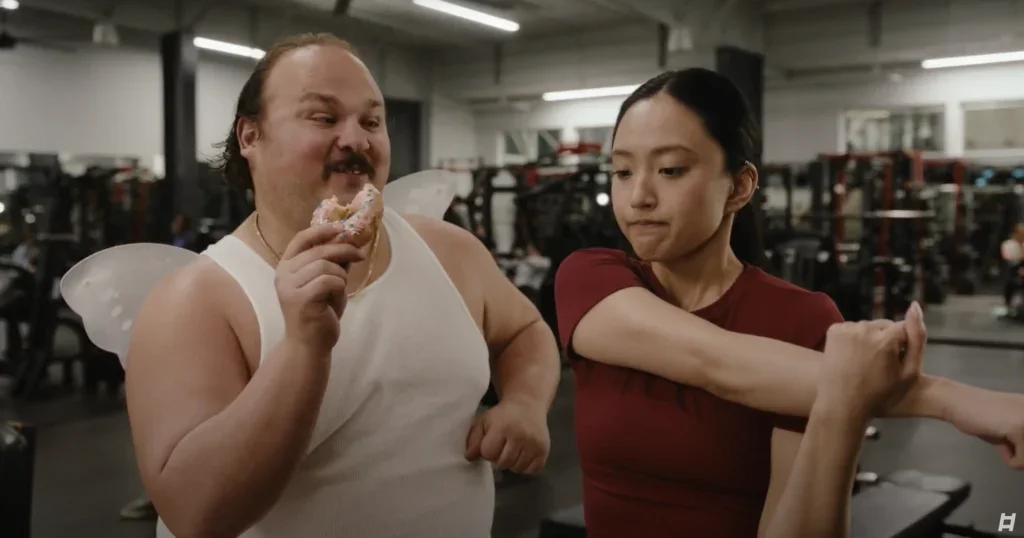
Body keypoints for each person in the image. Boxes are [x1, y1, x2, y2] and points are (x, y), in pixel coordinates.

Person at [554, 68, 1024, 538]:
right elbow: (712, 360)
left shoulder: (802, 321)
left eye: (671, 169)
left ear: (739, 186)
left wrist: (844, 408)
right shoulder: (589, 278)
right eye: (621, 171)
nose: (638, 197)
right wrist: (947, 398)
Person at [125, 33, 559, 538]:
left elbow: (524, 331)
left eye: (372, 121)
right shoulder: (196, 299)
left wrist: (525, 403)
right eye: (324, 118)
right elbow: (194, 513)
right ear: (250, 137)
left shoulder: (446, 249)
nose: (357, 139)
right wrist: (304, 348)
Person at [1001, 222, 1024, 308]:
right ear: (1015, 233)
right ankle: (1009, 304)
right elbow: (1008, 258)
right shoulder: (1007, 244)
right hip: (1013, 269)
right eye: (1021, 233)